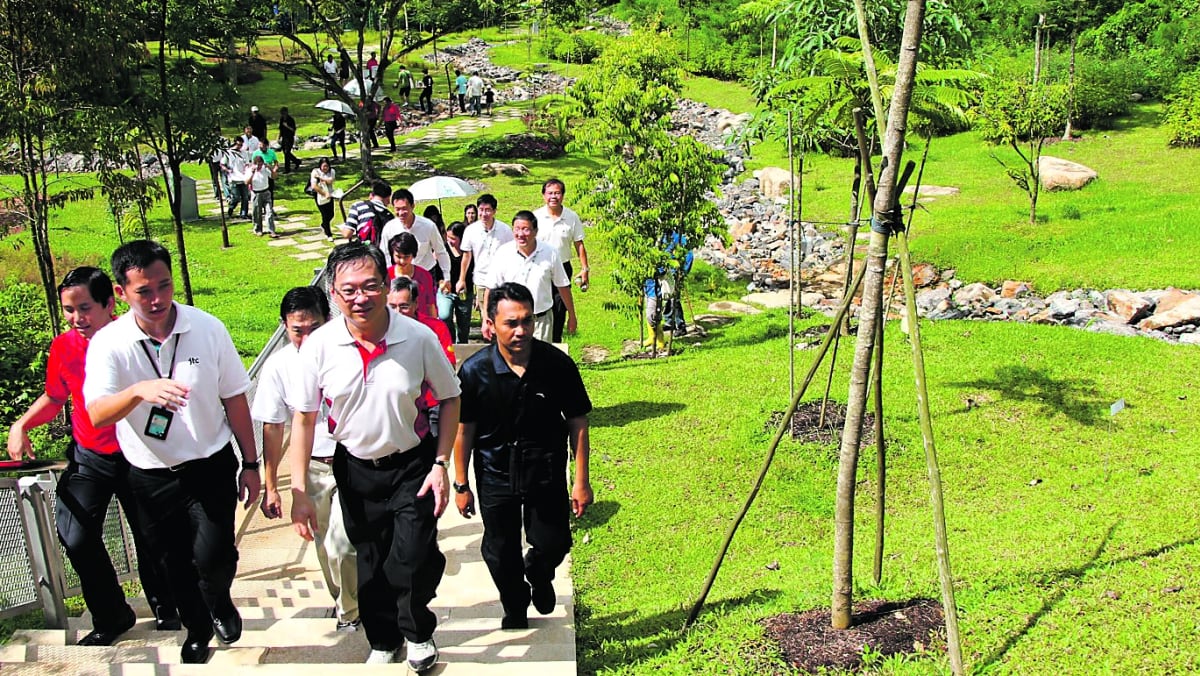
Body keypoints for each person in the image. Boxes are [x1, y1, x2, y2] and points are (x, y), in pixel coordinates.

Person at [84, 240, 260, 665]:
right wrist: (138, 391)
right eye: (144, 291)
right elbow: (97, 413)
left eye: (164, 285)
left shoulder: (207, 328)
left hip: (210, 463)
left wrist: (252, 464)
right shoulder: (109, 343)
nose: (157, 299)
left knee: (215, 556)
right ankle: (197, 630)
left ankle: (219, 599)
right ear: (121, 292)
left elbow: (235, 398)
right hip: (150, 474)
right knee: (172, 563)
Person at [286, 243, 461, 670]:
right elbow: (303, 419)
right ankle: (384, 640)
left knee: (411, 557)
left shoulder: (417, 338)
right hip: (355, 469)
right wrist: (298, 491)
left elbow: (451, 398)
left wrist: (441, 464)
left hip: (412, 465)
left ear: (385, 285)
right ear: (333, 293)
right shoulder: (320, 346)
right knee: (370, 561)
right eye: (348, 290)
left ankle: (417, 633)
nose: (360, 298)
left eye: (370, 286)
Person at [7, 267, 178, 646]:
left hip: (139, 455)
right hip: (90, 457)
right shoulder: (64, 347)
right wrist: (21, 424)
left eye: (84, 308)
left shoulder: (137, 340)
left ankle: (169, 608)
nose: (76, 318)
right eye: (69, 310)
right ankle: (112, 615)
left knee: (152, 537)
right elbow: (55, 397)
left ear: (109, 304)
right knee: (76, 535)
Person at [452, 282, 593, 630]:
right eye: (511, 323)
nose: (521, 331)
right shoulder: (474, 371)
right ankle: (515, 605)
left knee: (554, 543)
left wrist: (581, 481)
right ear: (491, 324)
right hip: (495, 474)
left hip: (544, 470)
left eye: (527, 321)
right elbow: (464, 430)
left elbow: (577, 421)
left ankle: (539, 573)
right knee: (500, 552)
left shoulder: (556, 365)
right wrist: (461, 484)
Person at [252, 287, 359, 633]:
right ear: (284, 327)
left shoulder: (350, 353)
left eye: (315, 328)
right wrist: (272, 486)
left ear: (329, 320)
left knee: (345, 544)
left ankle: (353, 610)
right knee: (325, 544)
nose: (307, 338)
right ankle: (344, 602)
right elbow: (273, 427)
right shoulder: (279, 367)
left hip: (351, 461)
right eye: (298, 331)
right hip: (312, 468)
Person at [491, 211, 577, 342]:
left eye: (525, 229)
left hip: (540, 321)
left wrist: (572, 314)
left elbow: (562, 286)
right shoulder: (503, 252)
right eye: (517, 229)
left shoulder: (550, 252)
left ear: (536, 231)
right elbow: (492, 287)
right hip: (510, 321)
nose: (520, 234)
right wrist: (488, 318)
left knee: (540, 355)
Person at [534, 178, 590, 342]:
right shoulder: (536, 217)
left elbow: (579, 244)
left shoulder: (571, 217)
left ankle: (555, 343)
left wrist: (585, 269)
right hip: (540, 268)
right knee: (540, 308)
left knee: (559, 308)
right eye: (550, 193)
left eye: (557, 193)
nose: (553, 197)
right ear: (544, 195)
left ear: (563, 195)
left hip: (563, 267)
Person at [456, 194, 513, 326]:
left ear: (494, 211)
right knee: (486, 315)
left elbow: (512, 254)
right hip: (482, 280)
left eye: (487, 210)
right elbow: (466, 256)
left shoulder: (505, 230)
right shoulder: (471, 230)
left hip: (502, 280)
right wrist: (462, 279)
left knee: (502, 315)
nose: (484, 214)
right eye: (481, 210)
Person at [378, 188, 451, 281]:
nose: (401, 213)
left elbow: (440, 251)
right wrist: (389, 275)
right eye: (397, 209)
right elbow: (384, 254)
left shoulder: (428, 226)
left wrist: (447, 277)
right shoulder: (389, 228)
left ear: (412, 206)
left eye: (404, 208)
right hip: (400, 274)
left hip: (426, 273)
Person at [643, 230, 694, 348]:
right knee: (663, 299)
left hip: (672, 273)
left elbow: (688, 254)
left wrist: (682, 271)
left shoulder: (676, 236)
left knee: (673, 299)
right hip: (661, 275)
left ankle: (680, 325)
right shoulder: (658, 236)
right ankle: (669, 322)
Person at [386, 232, 436, 318]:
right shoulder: (386, 276)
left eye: (406, 257)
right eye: (398, 257)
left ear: (413, 255)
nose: (402, 261)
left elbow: (430, 305)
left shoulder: (424, 276)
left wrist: (434, 323)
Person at [439, 221, 473, 344]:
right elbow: (437, 269)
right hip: (446, 291)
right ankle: (451, 339)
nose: (450, 241)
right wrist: (441, 283)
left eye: (453, 238)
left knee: (464, 324)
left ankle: (462, 346)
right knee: (444, 315)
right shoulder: (443, 249)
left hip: (464, 292)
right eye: (448, 237)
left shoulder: (468, 252)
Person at [339, 179, 393, 245]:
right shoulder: (389, 216)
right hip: (381, 250)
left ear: (372, 194)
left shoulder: (358, 206)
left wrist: (342, 228)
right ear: (388, 198)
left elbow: (347, 234)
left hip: (364, 248)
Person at [246, 153, 278, 238]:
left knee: (269, 212)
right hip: (256, 193)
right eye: (258, 164)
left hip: (266, 192)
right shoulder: (250, 170)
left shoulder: (265, 169)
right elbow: (246, 182)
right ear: (254, 164)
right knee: (257, 212)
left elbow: (274, 177)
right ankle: (258, 229)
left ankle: (272, 230)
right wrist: (252, 173)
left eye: (261, 164)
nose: (259, 166)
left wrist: (271, 169)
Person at [221, 137, 250, 220]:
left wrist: (247, 171)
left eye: (241, 145)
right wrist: (228, 170)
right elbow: (222, 164)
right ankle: (231, 207)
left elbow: (247, 163)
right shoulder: (228, 153)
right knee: (236, 197)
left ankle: (243, 214)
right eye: (238, 144)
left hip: (243, 178)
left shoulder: (244, 153)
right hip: (233, 178)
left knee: (245, 197)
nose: (239, 146)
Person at [310, 158, 337, 240]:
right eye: (324, 166)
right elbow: (314, 186)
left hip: (330, 194)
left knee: (331, 214)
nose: (325, 168)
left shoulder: (332, 171)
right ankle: (328, 234)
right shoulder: (315, 171)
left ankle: (324, 225)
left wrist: (320, 178)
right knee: (324, 214)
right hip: (319, 195)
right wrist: (324, 193)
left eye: (327, 166)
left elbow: (331, 181)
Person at [278, 107, 301, 173]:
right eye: (282, 114)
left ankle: (287, 169)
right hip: (284, 138)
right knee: (285, 152)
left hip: (290, 138)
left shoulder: (290, 119)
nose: (283, 115)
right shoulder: (282, 119)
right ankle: (297, 161)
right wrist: (279, 137)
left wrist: (287, 126)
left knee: (287, 152)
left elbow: (293, 130)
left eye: (284, 113)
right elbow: (281, 129)